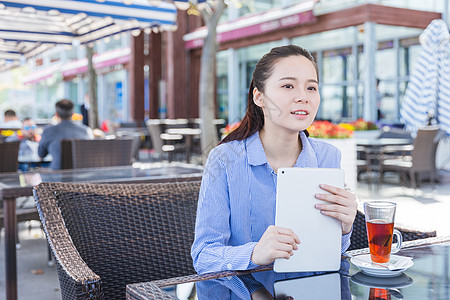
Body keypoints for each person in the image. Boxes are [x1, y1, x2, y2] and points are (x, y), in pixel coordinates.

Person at [191, 45, 357, 290]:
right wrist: (254, 253)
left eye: (311, 87)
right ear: (259, 97)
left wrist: (344, 228)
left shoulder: (327, 156)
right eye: (288, 86)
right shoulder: (225, 159)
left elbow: (330, 256)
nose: (303, 96)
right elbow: (203, 256)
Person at [38, 99, 94, 169]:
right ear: (73, 113)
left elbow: (41, 154)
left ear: (56, 114)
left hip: (57, 175)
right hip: (82, 175)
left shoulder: (48, 131)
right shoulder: (86, 131)